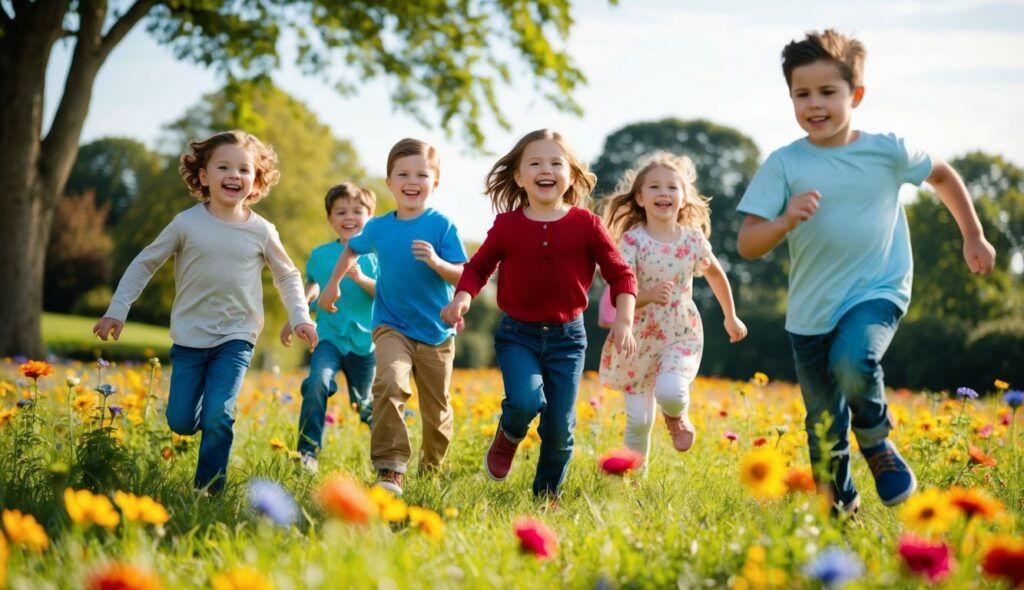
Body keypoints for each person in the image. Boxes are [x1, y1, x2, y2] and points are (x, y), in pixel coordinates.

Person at [736, 29, 996, 512]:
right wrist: (785, 220)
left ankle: (877, 443)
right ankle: (840, 508)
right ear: (790, 96)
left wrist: (972, 234)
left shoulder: (887, 151)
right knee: (824, 427)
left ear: (855, 95)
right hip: (810, 315)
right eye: (802, 94)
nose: (815, 105)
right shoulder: (784, 164)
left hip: (878, 291)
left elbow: (942, 175)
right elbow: (748, 244)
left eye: (828, 93)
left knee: (855, 360)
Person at [93, 130, 317, 493]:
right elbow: (144, 263)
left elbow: (288, 275)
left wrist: (300, 317)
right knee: (180, 421)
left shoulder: (262, 231)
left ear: (256, 182)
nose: (234, 175)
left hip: (237, 336)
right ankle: (205, 420)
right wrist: (118, 310)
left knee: (219, 414)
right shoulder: (186, 224)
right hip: (190, 336)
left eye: (244, 169)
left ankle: (209, 489)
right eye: (223, 167)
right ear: (203, 176)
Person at [441, 129, 638, 498]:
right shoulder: (507, 226)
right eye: (534, 163)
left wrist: (624, 321)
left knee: (561, 428)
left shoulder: (587, 225)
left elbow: (621, 274)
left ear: (572, 176)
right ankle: (510, 433)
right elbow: (478, 267)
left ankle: (547, 496)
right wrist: (462, 298)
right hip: (519, 335)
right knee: (526, 402)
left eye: (555, 163)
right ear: (519, 177)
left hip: (568, 339)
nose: (545, 169)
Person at [318, 138, 467, 496]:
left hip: (436, 330)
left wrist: (436, 263)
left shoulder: (441, 225)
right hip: (390, 326)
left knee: (437, 414)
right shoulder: (379, 228)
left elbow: (464, 275)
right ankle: (390, 469)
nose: (411, 181)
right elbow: (351, 250)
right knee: (387, 383)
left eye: (422, 174)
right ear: (389, 182)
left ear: (436, 182)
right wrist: (333, 284)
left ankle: (431, 469)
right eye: (402, 173)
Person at [599, 152, 747, 474]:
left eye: (671, 187)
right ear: (640, 197)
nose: (663, 193)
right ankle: (634, 480)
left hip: (679, 333)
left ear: (683, 198)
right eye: (654, 187)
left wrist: (730, 316)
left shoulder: (693, 241)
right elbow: (617, 291)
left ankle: (676, 416)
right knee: (638, 421)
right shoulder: (632, 241)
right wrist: (646, 295)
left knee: (670, 391)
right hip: (636, 337)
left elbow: (716, 275)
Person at [282, 182, 378, 474]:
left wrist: (360, 278)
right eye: (340, 211)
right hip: (329, 337)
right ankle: (307, 454)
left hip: (366, 344)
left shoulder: (378, 255)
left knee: (365, 407)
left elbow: (387, 295)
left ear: (370, 216)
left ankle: (387, 459)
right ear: (330, 219)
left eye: (357, 211)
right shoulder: (320, 255)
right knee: (317, 383)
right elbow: (313, 284)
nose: (349, 216)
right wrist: (298, 314)